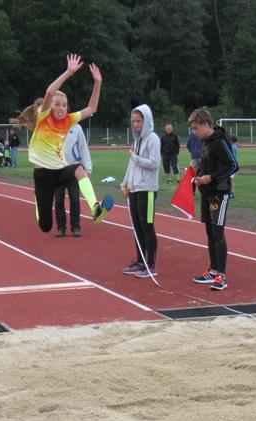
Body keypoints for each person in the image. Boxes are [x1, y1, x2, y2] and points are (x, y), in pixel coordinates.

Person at [13, 53, 112, 232]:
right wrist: (68, 72)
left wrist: (98, 83)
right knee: (45, 226)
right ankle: (39, 201)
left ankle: (95, 208)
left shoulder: (68, 120)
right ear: (50, 107)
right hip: (43, 176)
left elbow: (92, 108)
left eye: (64, 105)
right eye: (57, 104)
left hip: (60, 170)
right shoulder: (44, 117)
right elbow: (50, 92)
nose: (60, 108)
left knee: (79, 169)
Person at [188, 108, 238, 291]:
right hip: (206, 193)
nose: (194, 132)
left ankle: (221, 276)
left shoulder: (219, 141)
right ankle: (213, 269)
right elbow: (207, 165)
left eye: (195, 128)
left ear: (204, 124)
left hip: (219, 192)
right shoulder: (206, 142)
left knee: (217, 232)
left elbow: (233, 165)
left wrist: (212, 177)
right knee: (209, 231)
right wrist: (198, 173)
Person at [120, 105, 160, 278]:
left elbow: (154, 163)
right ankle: (140, 261)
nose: (136, 124)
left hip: (148, 190)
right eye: (134, 121)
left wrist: (135, 157)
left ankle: (150, 265)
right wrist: (125, 183)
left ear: (146, 121)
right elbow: (132, 165)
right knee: (137, 228)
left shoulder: (153, 139)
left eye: (139, 121)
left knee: (147, 226)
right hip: (135, 189)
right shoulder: (136, 141)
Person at [55, 122, 92, 237]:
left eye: (64, 106)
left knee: (75, 199)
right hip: (57, 170)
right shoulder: (51, 126)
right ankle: (61, 228)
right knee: (58, 200)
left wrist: (88, 167)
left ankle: (76, 227)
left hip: (74, 169)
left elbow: (83, 147)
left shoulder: (76, 127)